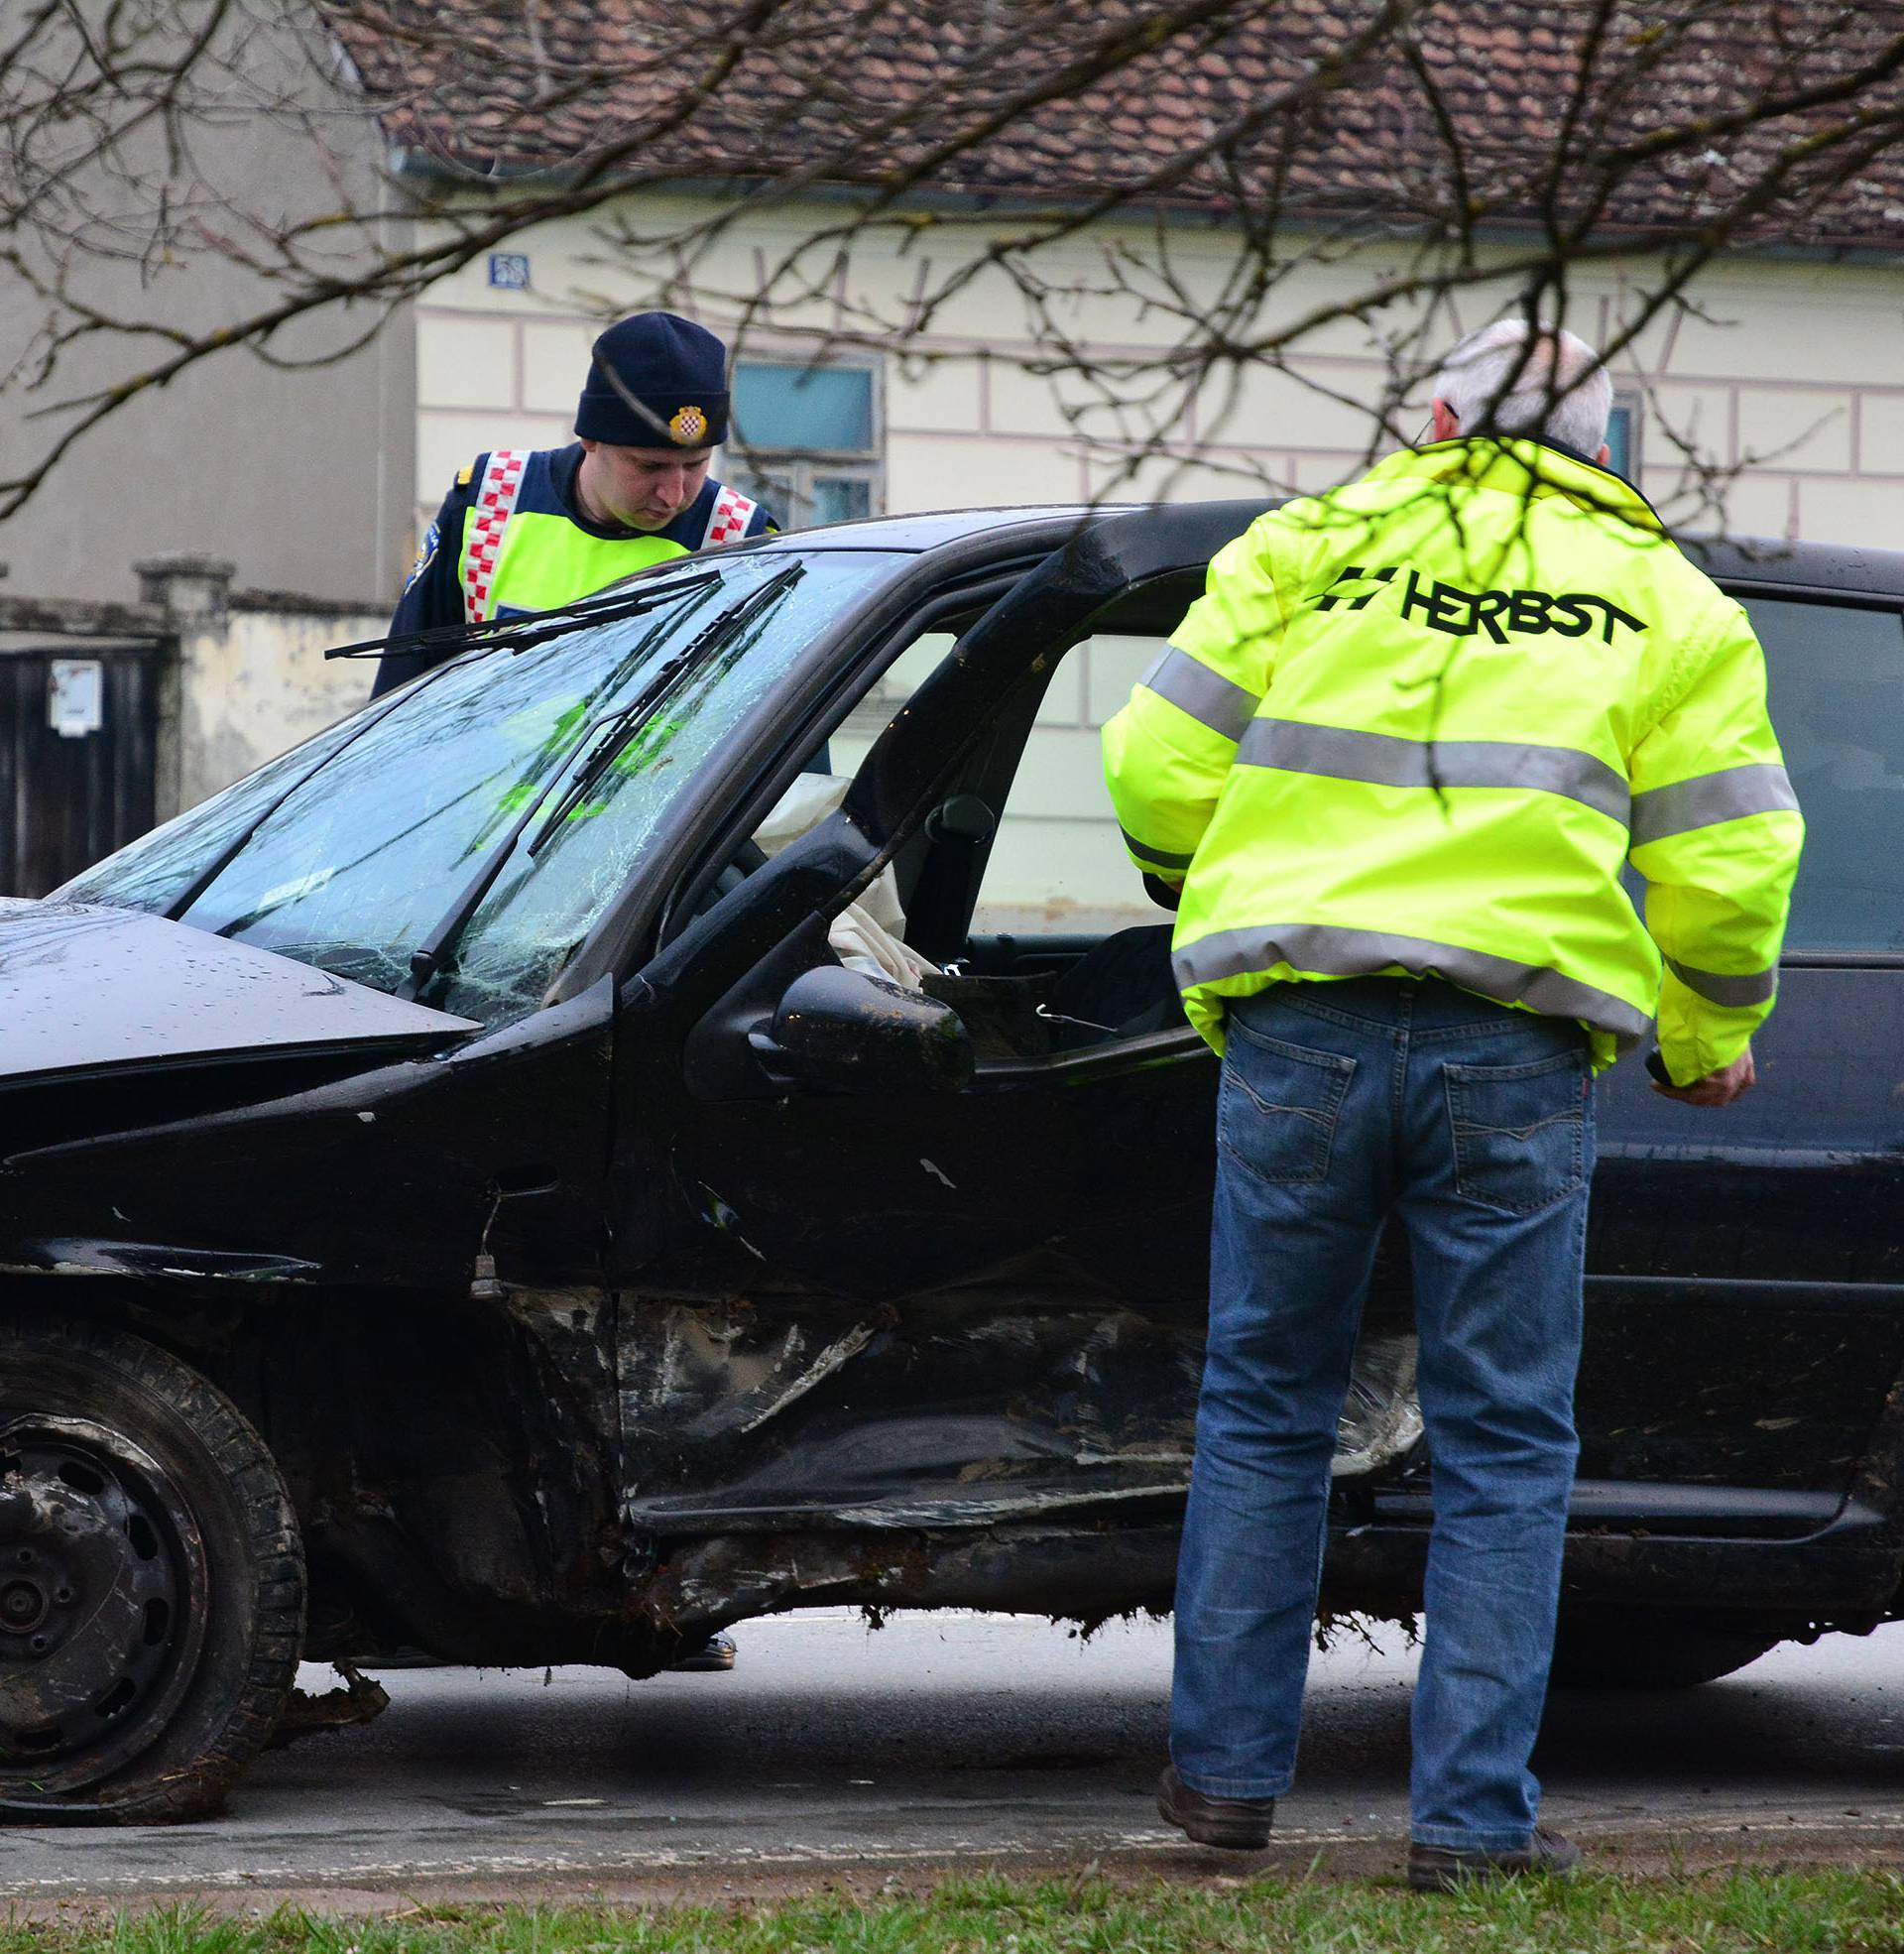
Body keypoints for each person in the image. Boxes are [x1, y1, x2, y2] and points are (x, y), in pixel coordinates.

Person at [1103, 319, 1802, 1889]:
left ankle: (1222, 1787)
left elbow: (1152, 767)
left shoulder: (1310, 545)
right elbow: (1734, 861)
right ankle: (1471, 1827)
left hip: (1305, 1029)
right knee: (1502, 1444)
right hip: (1514, 1054)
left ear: (1433, 418)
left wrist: (1208, 881)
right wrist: (1706, 1029)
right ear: (1608, 450)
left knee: (1268, 1409)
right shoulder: (1666, 602)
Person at [372, 310, 775, 696]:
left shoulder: (742, 543)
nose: (673, 493)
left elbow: (782, 723)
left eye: (695, 465)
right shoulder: (489, 503)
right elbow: (401, 690)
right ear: (590, 439)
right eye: (649, 466)